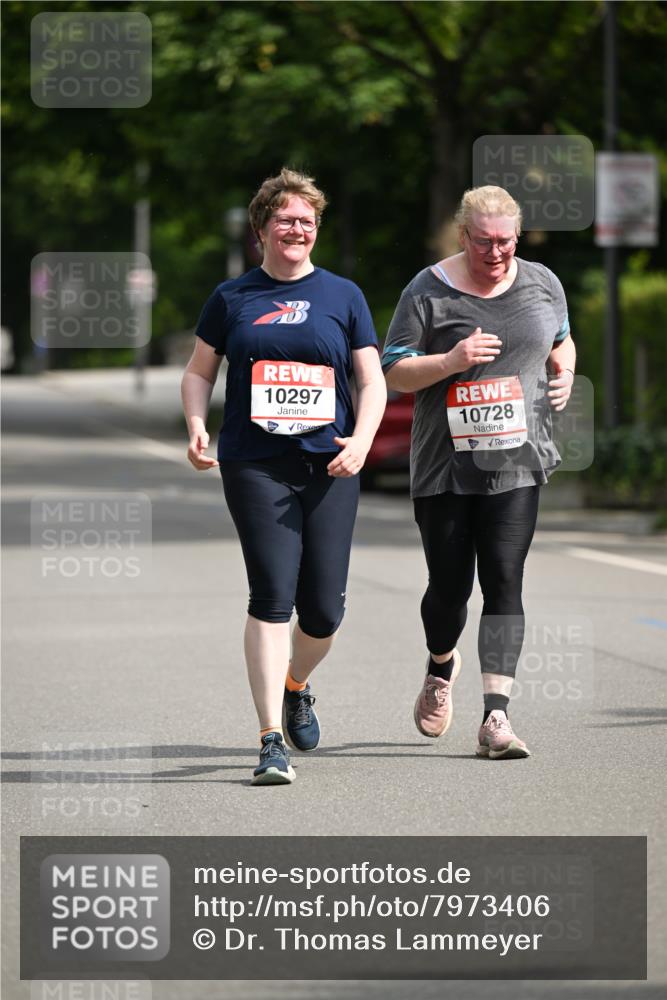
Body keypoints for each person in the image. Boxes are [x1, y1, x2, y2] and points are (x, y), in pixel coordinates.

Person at [181, 168, 386, 785]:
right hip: (254, 464)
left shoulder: (343, 295)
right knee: (271, 596)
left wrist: (364, 439)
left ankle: (298, 684)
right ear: (262, 228)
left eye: (308, 221)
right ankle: (271, 738)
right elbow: (198, 372)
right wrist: (196, 424)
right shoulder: (232, 297)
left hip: (329, 463)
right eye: (286, 219)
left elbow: (371, 380)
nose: (297, 229)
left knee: (323, 611)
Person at [382, 185, 575, 759]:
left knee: (504, 578)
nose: (496, 253)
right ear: (464, 236)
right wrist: (451, 361)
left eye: (506, 242)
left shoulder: (542, 282)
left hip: (518, 460)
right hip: (445, 464)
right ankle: (441, 667)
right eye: (484, 241)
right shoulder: (427, 289)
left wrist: (563, 372)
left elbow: (561, 342)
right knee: (449, 587)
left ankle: (497, 717)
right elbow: (394, 370)